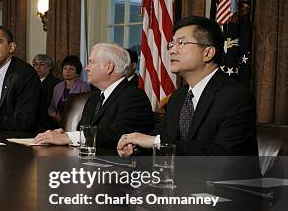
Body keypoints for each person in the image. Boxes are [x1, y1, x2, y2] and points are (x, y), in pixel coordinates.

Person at [117, 16, 258, 157]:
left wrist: (156, 142)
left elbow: (221, 154)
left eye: (181, 43)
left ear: (207, 53)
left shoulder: (236, 96)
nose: (172, 50)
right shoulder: (178, 96)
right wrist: (136, 147)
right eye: (172, 44)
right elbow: (163, 135)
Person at [34, 43, 154, 150]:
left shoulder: (134, 97)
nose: (86, 68)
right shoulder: (94, 98)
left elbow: (120, 135)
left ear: (109, 67)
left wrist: (68, 137)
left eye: (91, 62)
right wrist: (61, 134)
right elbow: (81, 131)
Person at [48, 55, 90, 123]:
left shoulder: (83, 86)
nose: (67, 71)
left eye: (71, 69)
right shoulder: (58, 87)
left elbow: (86, 109)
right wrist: (55, 116)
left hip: (76, 123)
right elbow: (51, 108)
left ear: (77, 73)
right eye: (65, 68)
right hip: (57, 122)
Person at [33, 53, 60, 131]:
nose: (37, 67)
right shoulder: (31, 82)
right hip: (32, 122)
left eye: (42, 64)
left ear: (49, 66)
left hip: (47, 124)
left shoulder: (56, 83)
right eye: (35, 64)